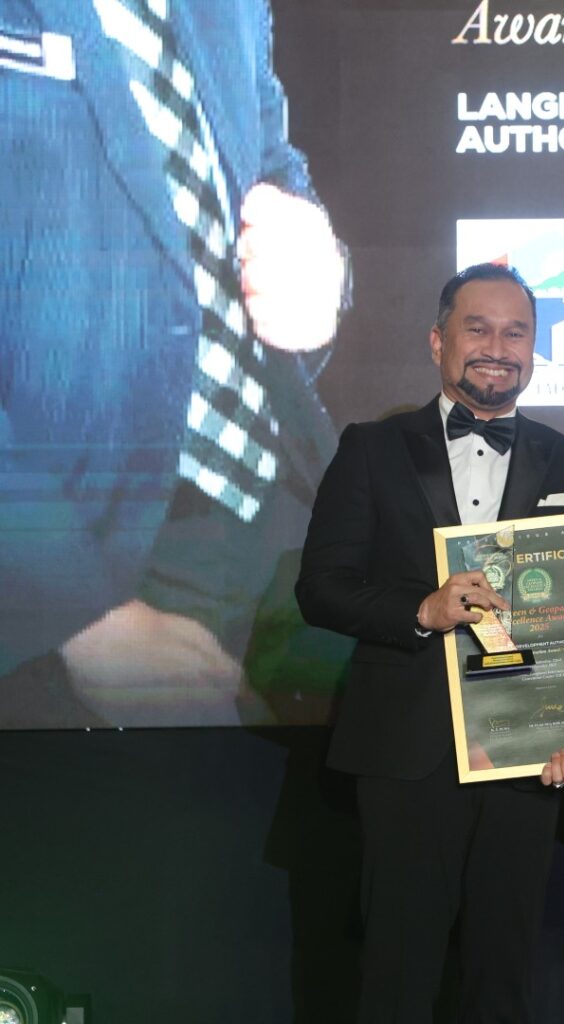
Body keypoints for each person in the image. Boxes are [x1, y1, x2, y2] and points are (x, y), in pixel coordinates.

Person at [0, 0, 347, 725]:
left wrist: (323, 272)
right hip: (83, 556)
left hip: (286, 522)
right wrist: (70, 611)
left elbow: (272, 168)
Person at [295, 263, 564, 1023]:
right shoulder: (371, 447)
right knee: (397, 971)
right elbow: (321, 588)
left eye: (516, 332)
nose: (498, 346)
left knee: (504, 973)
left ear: (534, 350)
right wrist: (422, 610)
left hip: (527, 749)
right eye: (478, 327)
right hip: (406, 747)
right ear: (438, 341)